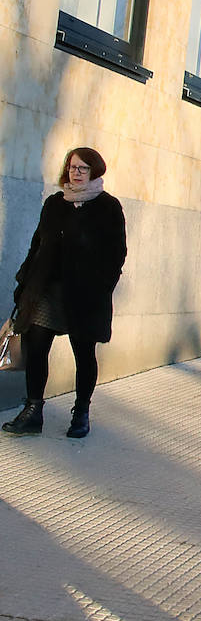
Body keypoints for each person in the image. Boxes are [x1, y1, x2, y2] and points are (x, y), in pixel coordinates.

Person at [4, 147, 126, 438]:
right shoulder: (55, 203)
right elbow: (38, 245)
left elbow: (116, 254)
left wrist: (100, 289)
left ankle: (81, 411)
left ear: (95, 171)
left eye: (83, 168)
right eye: (72, 167)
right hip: (47, 289)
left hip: (85, 295)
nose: (77, 172)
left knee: (83, 353)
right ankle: (33, 410)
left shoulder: (108, 206)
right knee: (36, 348)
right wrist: (24, 282)